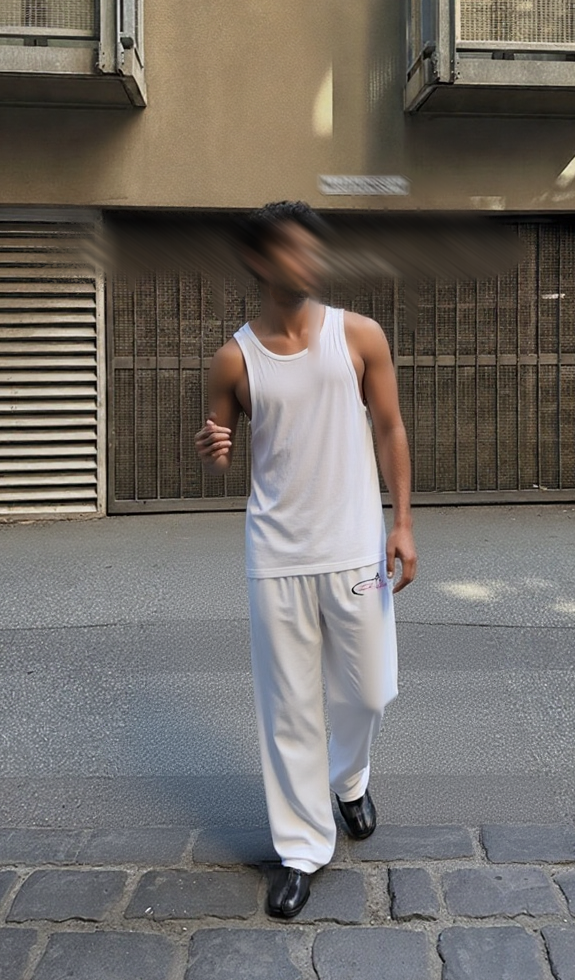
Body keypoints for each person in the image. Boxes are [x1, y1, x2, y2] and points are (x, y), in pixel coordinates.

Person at [194, 201, 417, 918]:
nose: (309, 260)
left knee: (370, 690)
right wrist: (213, 450)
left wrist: (402, 522)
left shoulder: (358, 336)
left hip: (354, 547)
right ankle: (300, 848)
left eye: (314, 248)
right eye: (292, 249)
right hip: (276, 555)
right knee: (287, 707)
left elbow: (389, 428)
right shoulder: (234, 358)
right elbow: (218, 455)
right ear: (259, 261)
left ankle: (349, 779)